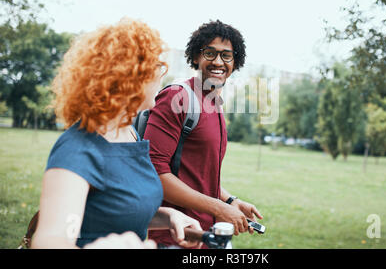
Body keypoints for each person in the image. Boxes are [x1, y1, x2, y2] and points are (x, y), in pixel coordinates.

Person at [31, 18, 202, 249]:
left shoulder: (128, 134)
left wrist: (169, 216)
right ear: (130, 77)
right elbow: (49, 241)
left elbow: (117, 210)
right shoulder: (78, 149)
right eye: (157, 68)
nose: (162, 76)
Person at [145, 20, 263, 248]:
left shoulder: (214, 102)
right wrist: (220, 208)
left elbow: (198, 174)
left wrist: (231, 201)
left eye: (226, 55)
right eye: (210, 53)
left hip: (206, 237)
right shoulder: (177, 98)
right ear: (196, 57)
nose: (218, 62)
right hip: (173, 238)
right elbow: (154, 172)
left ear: (235, 61)